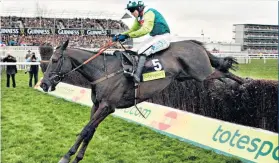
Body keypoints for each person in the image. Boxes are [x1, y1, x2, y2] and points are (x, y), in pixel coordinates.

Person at [112, 0, 171, 83]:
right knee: (134, 50)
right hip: (154, 36)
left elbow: (146, 29)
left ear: (139, 8)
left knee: (143, 51)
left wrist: (127, 36)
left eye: (132, 10)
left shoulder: (149, 13)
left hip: (163, 37)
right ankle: (132, 69)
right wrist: (120, 35)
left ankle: (137, 76)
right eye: (129, 10)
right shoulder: (139, 17)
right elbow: (133, 29)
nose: (131, 13)